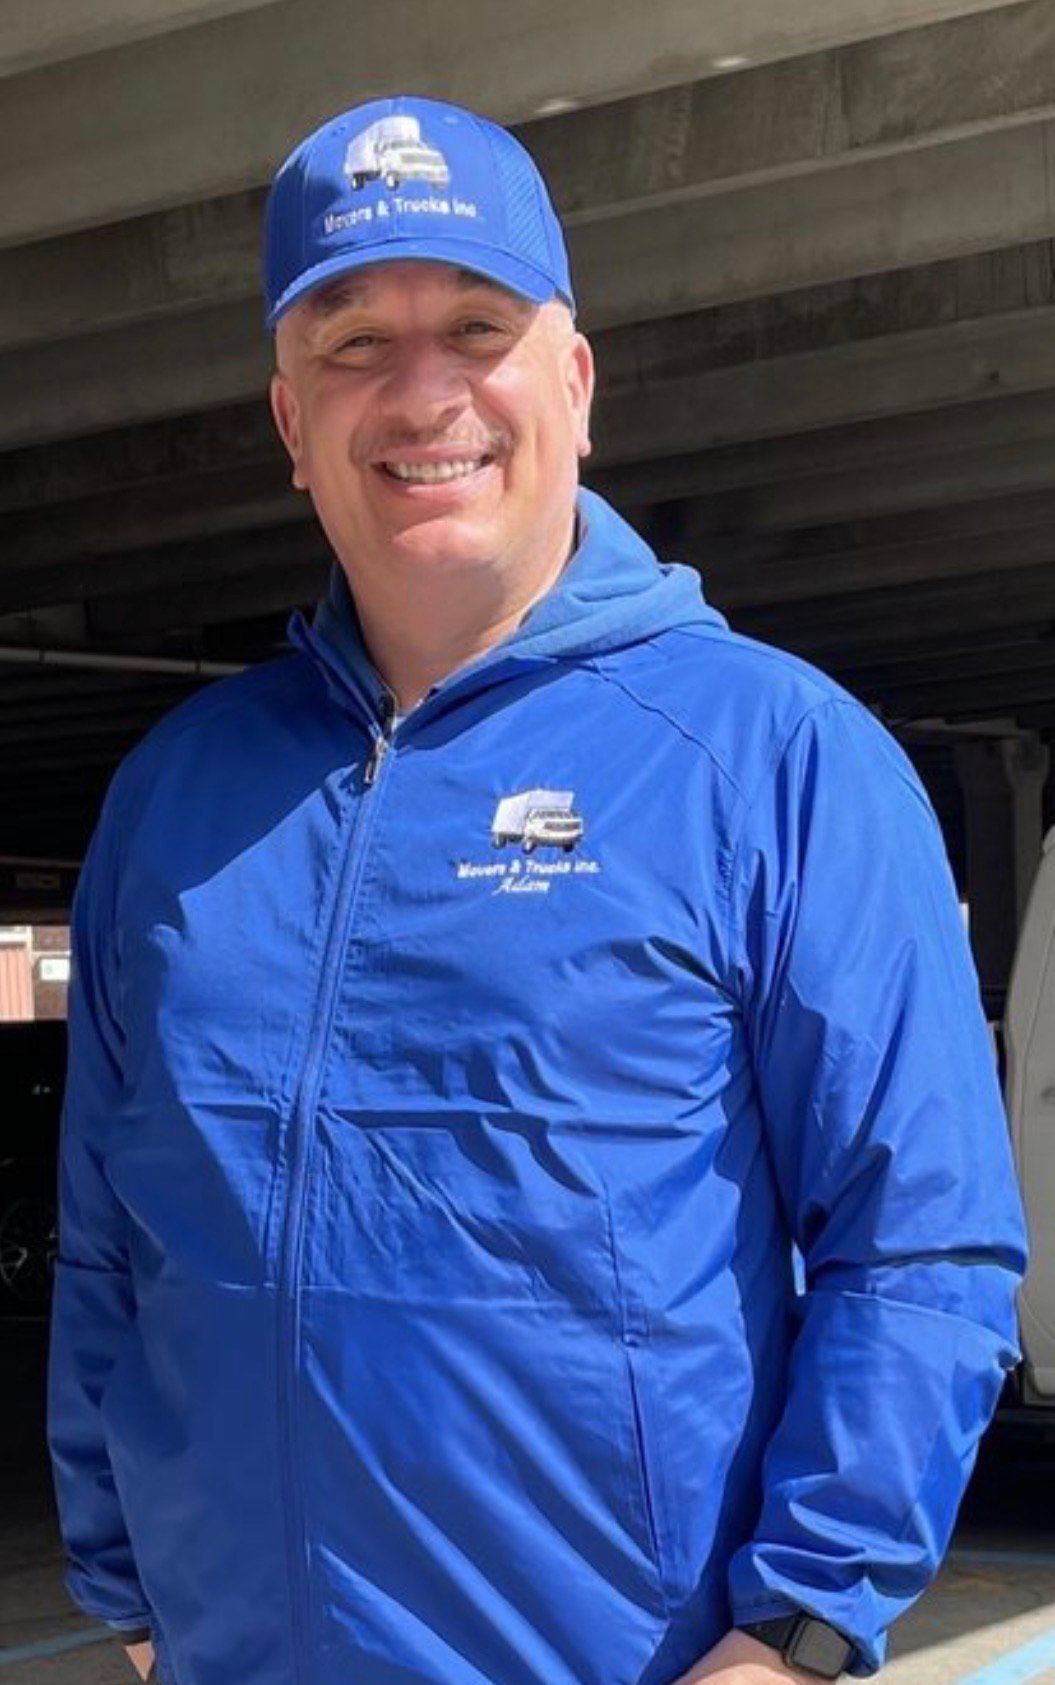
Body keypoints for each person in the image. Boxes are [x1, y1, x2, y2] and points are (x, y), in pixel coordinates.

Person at [46, 93, 1029, 1685]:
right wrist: (131, 1591)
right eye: (352, 339)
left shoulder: (775, 761)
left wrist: (793, 1635)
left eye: (477, 326)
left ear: (573, 382)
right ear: (289, 424)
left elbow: (921, 1244)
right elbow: (110, 1235)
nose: (422, 390)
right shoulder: (179, 795)